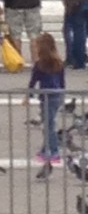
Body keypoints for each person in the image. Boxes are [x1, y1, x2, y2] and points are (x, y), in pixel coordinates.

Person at [28, 32, 65, 165]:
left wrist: (29, 94)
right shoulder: (59, 62)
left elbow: (33, 81)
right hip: (56, 95)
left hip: (46, 97)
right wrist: (62, 95)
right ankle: (45, 149)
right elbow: (62, 82)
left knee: (49, 126)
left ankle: (54, 151)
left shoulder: (39, 64)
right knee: (50, 124)